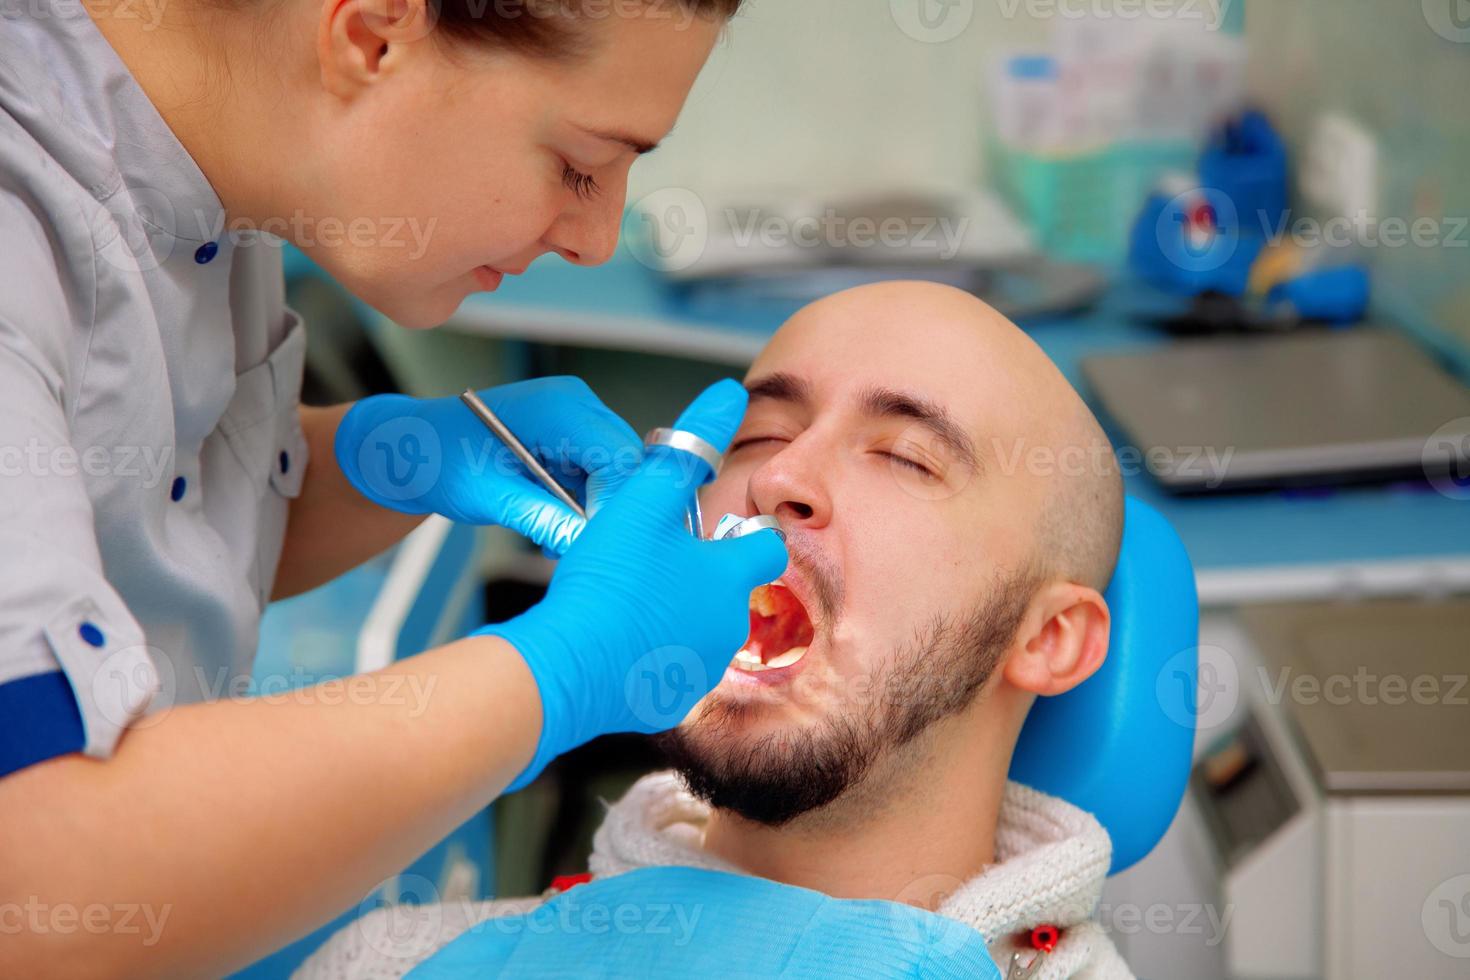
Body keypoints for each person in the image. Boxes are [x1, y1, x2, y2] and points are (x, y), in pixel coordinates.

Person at [0, 1, 852, 976]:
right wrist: (563, 666)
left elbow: (133, 508)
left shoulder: (218, 169)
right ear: (372, 36)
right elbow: (31, 876)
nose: (597, 236)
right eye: (579, 164)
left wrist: (371, 461)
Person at [297, 281, 1134, 978]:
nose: (779, 476)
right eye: (759, 434)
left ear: (1049, 640)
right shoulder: (399, 959)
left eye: (906, 457)